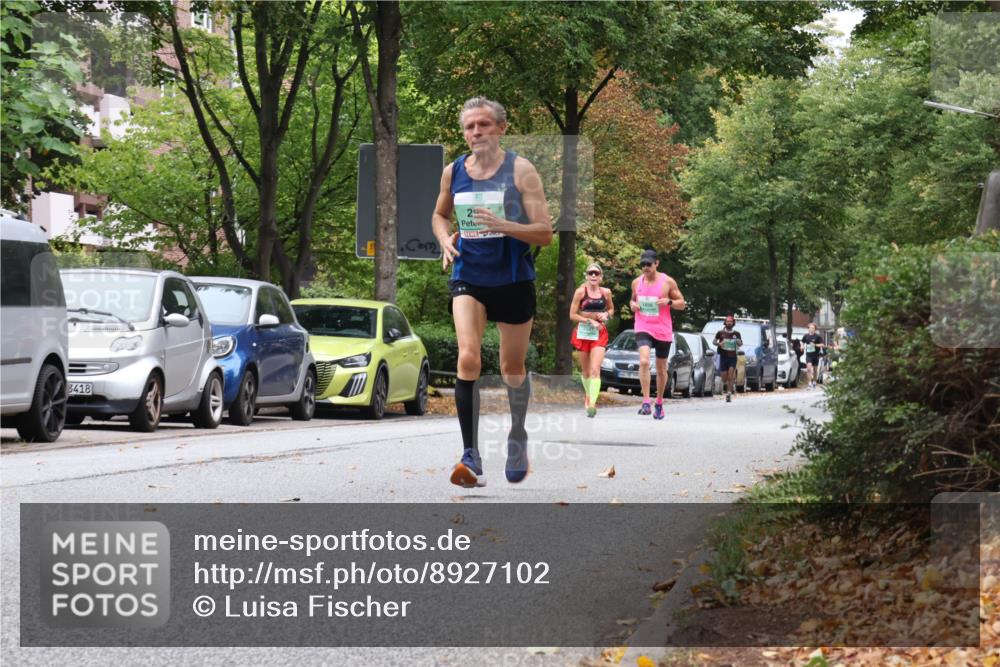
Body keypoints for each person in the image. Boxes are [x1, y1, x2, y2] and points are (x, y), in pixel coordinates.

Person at [432, 96, 554, 488]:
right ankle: (471, 454)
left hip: (514, 278)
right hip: (469, 275)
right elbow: (440, 215)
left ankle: (517, 436)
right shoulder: (454, 172)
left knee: (511, 369)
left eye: (484, 125)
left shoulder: (522, 170)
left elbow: (545, 233)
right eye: (470, 127)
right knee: (468, 357)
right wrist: (443, 241)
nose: (476, 132)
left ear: (501, 128)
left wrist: (505, 225)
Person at [629, 249, 686, 420]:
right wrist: (632, 305)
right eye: (643, 265)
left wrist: (669, 302)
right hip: (643, 325)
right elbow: (633, 299)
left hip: (662, 329)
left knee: (661, 368)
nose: (645, 267)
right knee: (644, 360)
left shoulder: (667, 282)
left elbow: (681, 303)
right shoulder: (636, 282)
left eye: (649, 264)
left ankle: (659, 402)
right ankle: (646, 402)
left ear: (656, 264)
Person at [569, 263, 614, 418]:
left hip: (599, 333)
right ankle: (588, 394)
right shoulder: (580, 292)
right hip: (583, 332)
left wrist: (606, 315)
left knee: (595, 370)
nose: (593, 276)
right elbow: (572, 315)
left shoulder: (606, 292)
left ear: (601, 277)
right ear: (586, 276)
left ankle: (592, 404)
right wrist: (589, 321)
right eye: (590, 273)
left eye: (596, 273)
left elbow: (611, 309)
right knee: (586, 371)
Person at [713, 315, 742, 402]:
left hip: (733, 357)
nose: (729, 323)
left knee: (730, 375)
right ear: (725, 322)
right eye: (727, 321)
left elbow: (740, 343)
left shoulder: (736, 334)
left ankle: (729, 393)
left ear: (733, 323)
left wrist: (738, 341)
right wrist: (719, 344)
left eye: (731, 321)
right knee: (724, 378)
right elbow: (714, 341)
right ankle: (729, 385)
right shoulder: (720, 333)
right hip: (723, 356)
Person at [801, 322, 825, 389]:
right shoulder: (806, 336)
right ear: (808, 329)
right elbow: (802, 342)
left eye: (813, 328)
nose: (811, 329)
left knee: (815, 370)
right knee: (808, 368)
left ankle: (814, 382)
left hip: (816, 355)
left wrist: (815, 345)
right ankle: (809, 383)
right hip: (809, 355)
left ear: (815, 329)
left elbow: (822, 345)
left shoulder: (817, 336)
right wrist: (802, 346)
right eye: (810, 328)